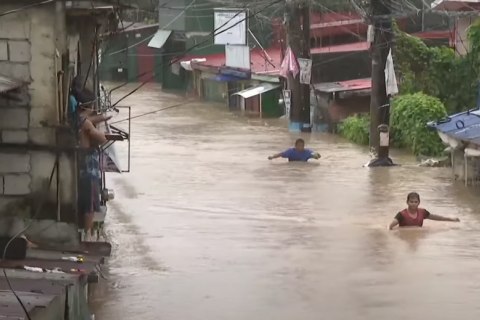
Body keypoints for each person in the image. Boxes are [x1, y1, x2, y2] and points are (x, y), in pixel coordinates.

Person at [78, 100, 107, 239]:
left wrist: (102, 118)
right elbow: (102, 138)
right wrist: (100, 128)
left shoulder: (76, 120)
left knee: (85, 202)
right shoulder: (86, 123)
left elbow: (88, 121)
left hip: (81, 166)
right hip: (90, 169)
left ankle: (86, 233)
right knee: (89, 205)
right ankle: (87, 236)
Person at [388, 192, 460, 230]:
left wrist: (450, 219)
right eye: (411, 202)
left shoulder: (423, 212)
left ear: (419, 202)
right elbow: (390, 227)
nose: (413, 204)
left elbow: (435, 217)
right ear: (407, 202)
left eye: (415, 202)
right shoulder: (401, 214)